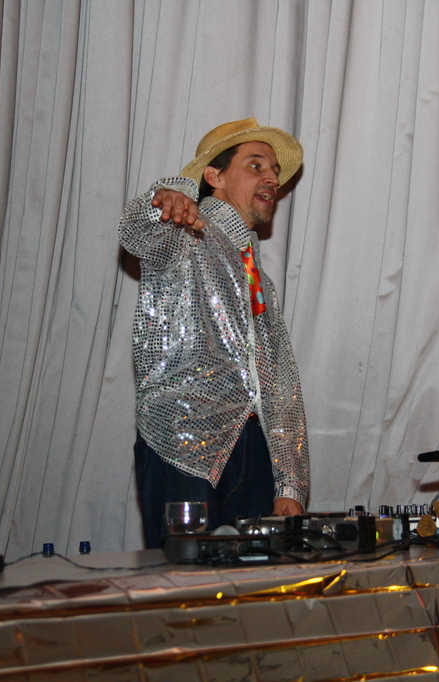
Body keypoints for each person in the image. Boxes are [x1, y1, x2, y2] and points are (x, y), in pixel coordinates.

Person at [118, 118, 309, 548]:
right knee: (185, 583)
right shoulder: (185, 231)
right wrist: (166, 196)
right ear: (215, 177)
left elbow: (279, 380)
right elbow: (135, 233)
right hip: (182, 446)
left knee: (256, 583)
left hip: (253, 453)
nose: (271, 178)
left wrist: (289, 483)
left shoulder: (259, 278)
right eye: (256, 165)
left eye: (275, 170)